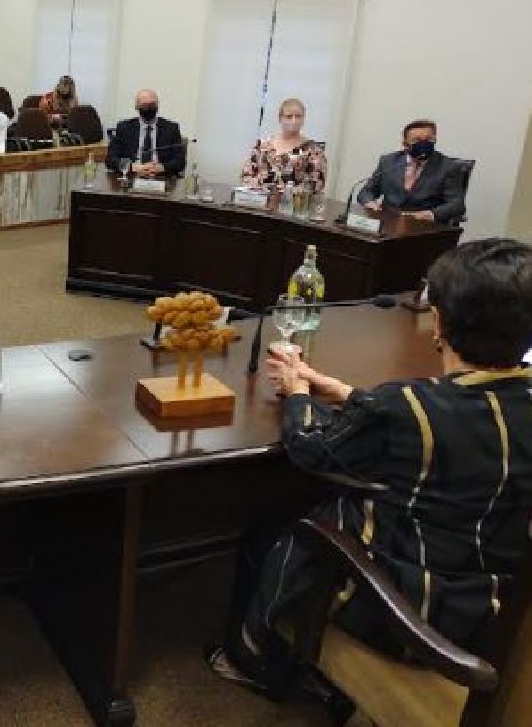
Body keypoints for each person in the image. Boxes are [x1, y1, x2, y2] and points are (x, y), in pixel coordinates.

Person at [208, 238, 532, 698]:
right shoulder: (427, 407)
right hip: (495, 615)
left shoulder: (408, 408)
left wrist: (299, 392)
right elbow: (437, 419)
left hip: (415, 616)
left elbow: (310, 449)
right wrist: (342, 391)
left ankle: (255, 661)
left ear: (437, 321)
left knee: (273, 526)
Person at [357, 119, 466, 224]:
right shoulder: (388, 161)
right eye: (417, 140)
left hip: (423, 227)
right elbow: (366, 191)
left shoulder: (448, 167)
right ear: (405, 144)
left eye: (429, 139)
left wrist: (431, 214)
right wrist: (369, 202)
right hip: (387, 222)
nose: (424, 144)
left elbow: (457, 205)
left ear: (435, 140)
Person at [240, 98, 327, 192]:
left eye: (298, 116)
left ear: (303, 119)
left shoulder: (314, 151)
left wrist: (286, 192)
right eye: (289, 116)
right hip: (259, 202)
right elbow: (246, 174)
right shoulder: (262, 146)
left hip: (294, 204)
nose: (294, 120)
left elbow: (317, 184)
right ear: (280, 118)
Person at [105, 89, 186, 178]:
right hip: (132, 176)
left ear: (157, 105)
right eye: (144, 105)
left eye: (152, 104)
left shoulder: (171, 128)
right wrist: (132, 167)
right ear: (136, 107)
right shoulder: (124, 128)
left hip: (161, 177)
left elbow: (180, 161)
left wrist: (161, 168)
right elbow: (110, 159)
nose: (149, 108)